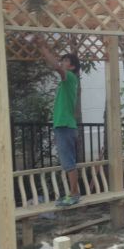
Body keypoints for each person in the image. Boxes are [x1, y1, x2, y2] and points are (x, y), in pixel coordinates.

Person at [35, 35, 81, 206]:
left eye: (66, 61)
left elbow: (55, 66)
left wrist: (42, 47)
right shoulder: (68, 82)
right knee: (68, 161)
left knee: (69, 162)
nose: (62, 63)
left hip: (65, 126)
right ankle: (73, 193)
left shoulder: (69, 77)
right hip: (64, 126)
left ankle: (74, 194)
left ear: (72, 66)